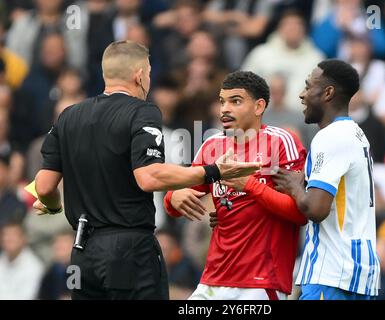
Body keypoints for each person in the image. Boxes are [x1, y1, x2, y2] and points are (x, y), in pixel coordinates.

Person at [32, 40, 260, 300]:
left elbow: (44, 186)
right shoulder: (142, 111)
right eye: (149, 73)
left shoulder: (68, 115)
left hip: (83, 254)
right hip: (129, 251)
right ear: (139, 75)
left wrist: (52, 206)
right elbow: (148, 176)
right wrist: (212, 171)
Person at [164, 71, 308, 300]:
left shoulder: (281, 142)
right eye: (222, 102)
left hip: (261, 280)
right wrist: (172, 197)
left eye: (235, 101)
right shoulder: (211, 146)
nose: (225, 109)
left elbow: (300, 214)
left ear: (259, 106)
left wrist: (249, 185)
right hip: (215, 276)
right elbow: (175, 202)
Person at [273, 59, 380, 300]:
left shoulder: (329, 137)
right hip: (361, 272)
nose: (302, 95)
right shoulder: (357, 133)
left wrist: (293, 187)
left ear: (328, 93)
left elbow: (316, 208)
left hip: (332, 272)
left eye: (308, 86)